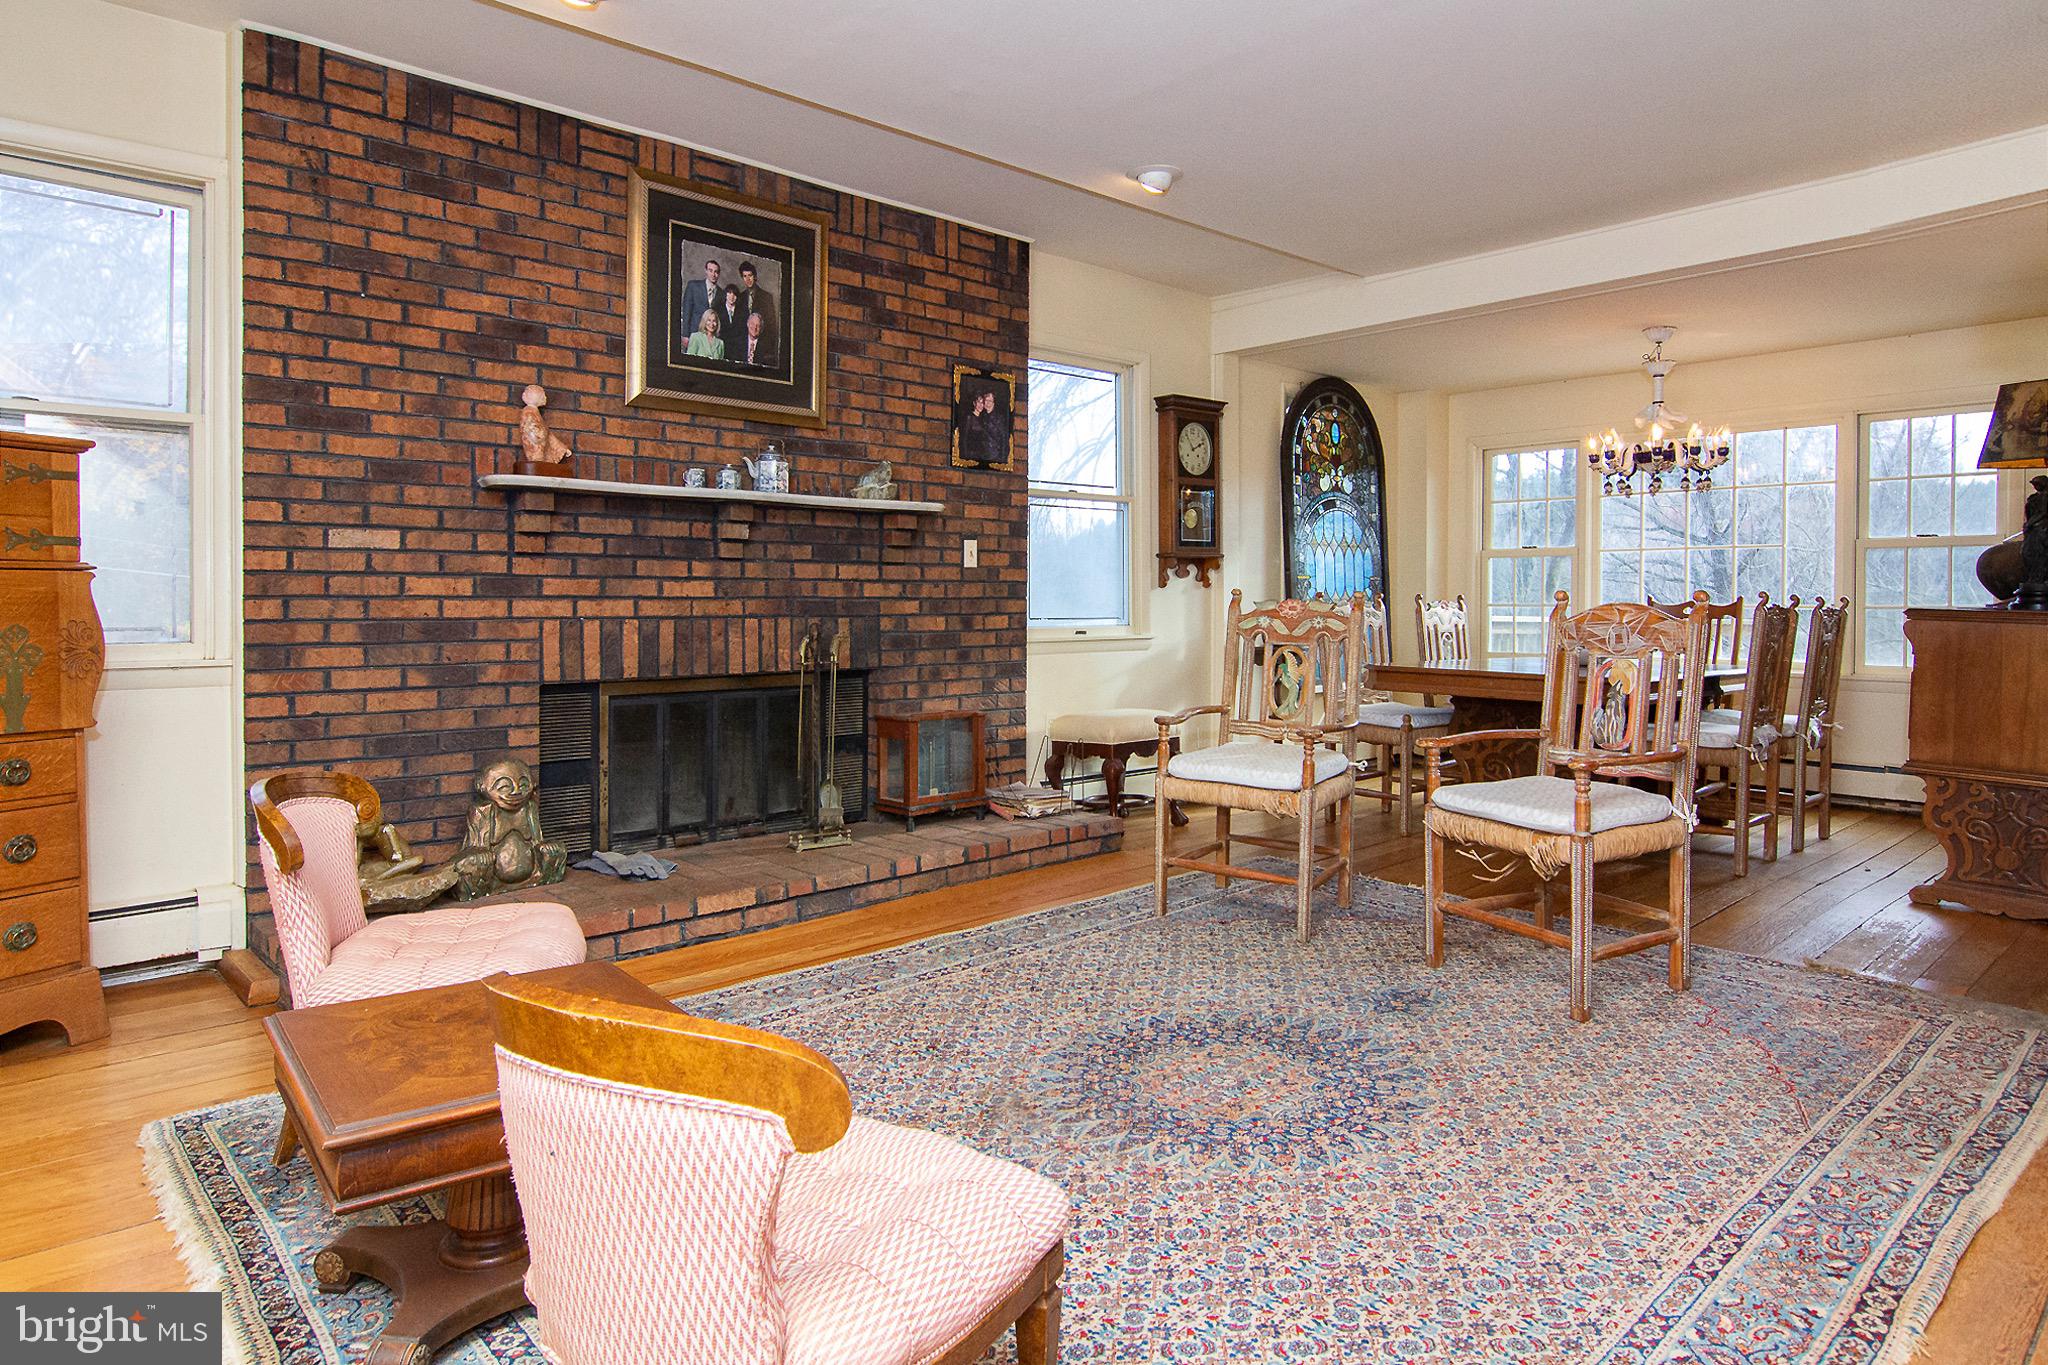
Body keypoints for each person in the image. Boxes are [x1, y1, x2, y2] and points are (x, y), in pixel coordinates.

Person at [737, 261, 779, 357]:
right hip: (744, 345)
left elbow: (771, 325)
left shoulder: (766, 297)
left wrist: (768, 349)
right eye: (745, 276)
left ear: (755, 276)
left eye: (750, 275)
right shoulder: (740, 297)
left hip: (762, 345)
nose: (748, 279)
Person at [680, 258, 723, 348]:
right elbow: (687, 311)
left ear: (718, 274)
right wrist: (685, 334)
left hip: (710, 337)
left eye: (716, 272)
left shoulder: (721, 293)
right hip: (693, 333)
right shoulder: (693, 286)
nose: (713, 274)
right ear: (706, 271)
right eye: (710, 271)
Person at [960, 386, 1006, 464]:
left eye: (983, 402)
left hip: (990, 457)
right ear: (974, 403)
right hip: (972, 456)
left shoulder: (986, 417)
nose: (982, 404)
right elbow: (964, 439)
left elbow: (1002, 438)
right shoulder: (969, 418)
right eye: (979, 402)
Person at [716, 283, 746, 354]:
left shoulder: (743, 311)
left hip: (737, 349)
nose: (732, 297)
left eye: (734, 294)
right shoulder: (717, 309)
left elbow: (743, 332)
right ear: (725, 294)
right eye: (729, 293)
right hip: (721, 346)